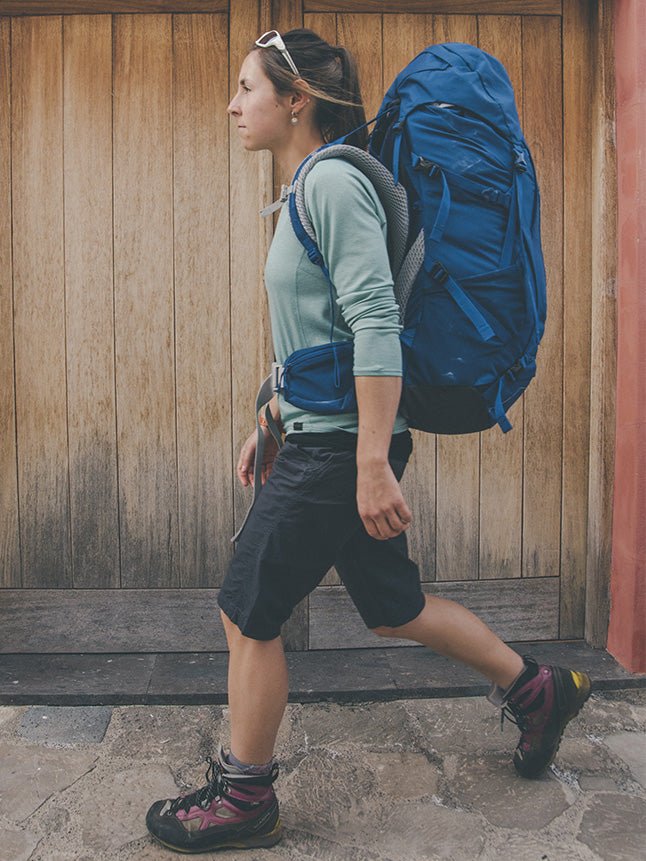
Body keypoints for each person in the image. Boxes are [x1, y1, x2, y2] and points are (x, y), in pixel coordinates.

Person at [145, 29, 591, 855]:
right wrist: (269, 419)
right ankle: (535, 690)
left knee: (246, 610)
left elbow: (376, 321)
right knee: (396, 610)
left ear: (295, 100)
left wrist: (371, 461)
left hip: (342, 447)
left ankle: (245, 796)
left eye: (248, 87)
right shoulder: (312, 187)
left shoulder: (337, 185)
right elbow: (318, 334)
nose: (234, 104)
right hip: (322, 434)